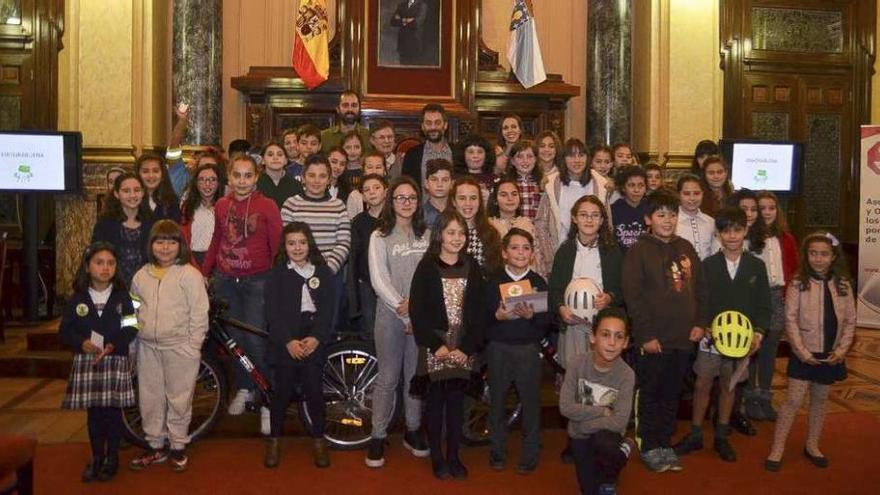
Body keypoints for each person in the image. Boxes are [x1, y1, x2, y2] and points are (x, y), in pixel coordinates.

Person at [672, 207, 770, 463]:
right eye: (726, 231)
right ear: (718, 235)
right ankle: (695, 434)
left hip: (742, 341)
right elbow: (700, 300)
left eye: (737, 230)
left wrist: (758, 332)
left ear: (745, 230)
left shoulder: (756, 266)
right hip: (711, 338)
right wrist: (704, 325)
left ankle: (721, 435)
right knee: (703, 384)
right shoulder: (708, 265)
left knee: (729, 386)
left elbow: (763, 305)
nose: (732, 236)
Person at [621, 191, 709, 473]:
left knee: (672, 394)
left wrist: (700, 322)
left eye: (672, 214)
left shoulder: (686, 248)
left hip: (684, 338)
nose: (668, 220)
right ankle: (649, 445)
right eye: (660, 215)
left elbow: (701, 289)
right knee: (651, 393)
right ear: (648, 219)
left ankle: (665, 443)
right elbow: (632, 297)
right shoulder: (639, 251)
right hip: (654, 340)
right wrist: (645, 336)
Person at [202, 154, 282, 435]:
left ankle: (267, 399)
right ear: (229, 176)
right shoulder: (222, 205)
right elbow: (216, 240)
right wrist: (205, 271)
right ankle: (245, 388)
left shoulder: (267, 205)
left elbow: (277, 244)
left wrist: (273, 279)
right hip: (226, 281)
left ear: (256, 177)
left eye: (248, 175)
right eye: (237, 175)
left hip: (257, 281)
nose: (242, 181)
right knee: (233, 341)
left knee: (255, 340)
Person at [765, 232, 855, 472]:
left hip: (831, 353)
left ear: (833, 256)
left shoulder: (843, 283)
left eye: (824, 254)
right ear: (807, 256)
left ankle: (812, 444)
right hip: (804, 352)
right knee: (793, 400)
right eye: (813, 253)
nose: (818, 259)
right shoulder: (798, 282)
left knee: (820, 399)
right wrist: (802, 352)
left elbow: (850, 321)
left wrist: (842, 350)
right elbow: (790, 319)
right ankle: (777, 447)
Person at [410, 209, 487, 480]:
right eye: (451, 232)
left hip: (463, 347)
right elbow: (417, 312)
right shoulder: (426, 266)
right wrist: (436, 345)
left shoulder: (472, 266)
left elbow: (480, 311)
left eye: (461, 233)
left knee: (456, 406)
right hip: (436, 347)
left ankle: (454, 455)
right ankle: (437, 457)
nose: (457, 238)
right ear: (440, 234)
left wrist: (466, 348)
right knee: (435, 405)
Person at [129, 220, 209, 473]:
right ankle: (155, 445)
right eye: (159, 242)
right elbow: (131, 311)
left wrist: (193, 345)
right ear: (151, 245)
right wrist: (132, 340)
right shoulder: (140, 276)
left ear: (180, 245)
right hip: (147, 347)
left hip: (180, 348)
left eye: (171, 242)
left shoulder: (189, 275)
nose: (165, 248)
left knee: (179, 398)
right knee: (150, 397)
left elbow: (199, 313)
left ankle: (177, 445)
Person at [366, 176, 431, 468]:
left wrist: (417, 311)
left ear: (418, 202)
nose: (406, 203)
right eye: (400, 198)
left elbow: (432, 277)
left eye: (411, 198)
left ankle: (413, 430)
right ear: (391, 202)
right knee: (388, 378)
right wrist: (404, 312)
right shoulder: (379, 235)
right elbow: (379, 279)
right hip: (390, 317)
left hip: (420, 318)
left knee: (414, 377)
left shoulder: (427, 234)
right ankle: (378, 435)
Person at [60, 242, 138, 482]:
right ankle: (96, 457)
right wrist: (81, 343)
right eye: (99, 262)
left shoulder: (125, 297)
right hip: (88, 362)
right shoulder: (77, 298)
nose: (105, 268)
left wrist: (116, 343)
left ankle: (112, 458)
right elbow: (65, 331)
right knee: (94, 414)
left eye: (111, 263)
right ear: (87, 266)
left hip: (115, 361)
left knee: (113, 413)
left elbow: (132, 326)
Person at [264, 222, 335, 469]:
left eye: (302, 242)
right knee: (281, 392)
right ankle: (274, 440)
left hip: (313, 336)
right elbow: (273, 314)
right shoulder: (276, 274)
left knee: (314, 390)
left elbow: (329, 310)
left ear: (310, 244)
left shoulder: (323, 272)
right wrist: (288, 341)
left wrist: (317, 337)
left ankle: (318, 440)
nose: (297, 247)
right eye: (291, 243)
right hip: (287, 339)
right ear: (284, 246)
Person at [486, 228, 550, 474]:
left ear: (532, 254)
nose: (520, 252)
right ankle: (497, 451)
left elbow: (547, 322)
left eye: (526, 248)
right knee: (497, 402)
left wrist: (533, 316)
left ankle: (531, 452)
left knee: (531, 403)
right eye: (514, 247)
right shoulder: (493, 281)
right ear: (504, 253)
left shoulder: (538, 282)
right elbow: (481, 319)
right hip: (498, 349)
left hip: (527, 350)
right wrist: (497, 316)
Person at [559, 307, 636, 495]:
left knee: (606, 446)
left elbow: (618, 421)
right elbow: (565, 407)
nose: (611, 343)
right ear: (592, 337)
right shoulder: (577, 364)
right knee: (589, 490)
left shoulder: (626, 374)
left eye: (619, 337)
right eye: (605, 335)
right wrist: (602, 411)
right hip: (580, 436)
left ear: (625, 342)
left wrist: (582, 425)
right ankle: (620, 453)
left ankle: (612, 472)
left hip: (602, 433)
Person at [281, 154, 352, 333]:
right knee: (297, 330)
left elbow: (344, 242)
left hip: (329, 277)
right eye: (311, 175)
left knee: (326, 330)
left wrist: (324, 272)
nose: (316, 181)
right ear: (303, 178)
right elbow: (285, 241)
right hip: (296, 277)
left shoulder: (338, 206)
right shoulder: (291, 204)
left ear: (329, 179)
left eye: (322, 176)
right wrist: (303, 272)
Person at [549, 195, 623, 365]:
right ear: (574, 218)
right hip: (572, 322)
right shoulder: (565, 251)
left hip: (603, 322)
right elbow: (554, 289)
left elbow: (622, 287)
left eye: (595, 215)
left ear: (602, 219)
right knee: (572, 370)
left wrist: (609, 298)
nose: (589, 220)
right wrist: (561, 308)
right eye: (583, 215)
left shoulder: (612, 251)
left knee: (600, 372)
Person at [748, 191, 800, 419]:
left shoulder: (786, 238)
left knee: (769, 351)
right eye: (762, 208)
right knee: (750, 349)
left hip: (777, 297)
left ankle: (765, 398)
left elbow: (794, 269)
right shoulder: (748, 236)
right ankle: (748, 398)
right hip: (753, 298)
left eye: (771, 208)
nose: (767, 212)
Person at [535, 138, 610, 278]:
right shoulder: (552, 184)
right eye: (571, 155)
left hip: (594, 255)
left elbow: (607, 223)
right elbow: (541, 224)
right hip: (560, 254)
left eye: (581, 155)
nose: (577, 160)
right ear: (564, 159)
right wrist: (551, 258)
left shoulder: (600, 184)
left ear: (588, 158)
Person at [91, 172, 155, 285]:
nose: (132, 195)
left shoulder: (152, 223)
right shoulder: (104, 225)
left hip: (147, 286)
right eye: (126, 191)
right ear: (116, 194)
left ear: (143, 193)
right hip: (113, 286)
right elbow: (96, 258)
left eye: (137, 190)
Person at [351, 174, 388, 337]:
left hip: (392, 282)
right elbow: (354, 258)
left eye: (377, 188)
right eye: (367, 190)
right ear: (362, 196)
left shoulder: (395, 218)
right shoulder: (359, 222)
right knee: (370, 329)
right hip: (367, 283)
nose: (372, 192)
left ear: (386, 191)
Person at [451, 176, 503, 276]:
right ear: (453, 202)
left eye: (473, 198)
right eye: (462, 198)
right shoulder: (444, 234)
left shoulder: (491, 234)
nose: (468, 203)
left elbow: (497, 272)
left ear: (480, 201)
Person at [180, 162, 225, 271]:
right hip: (192, 260)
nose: (207, 184)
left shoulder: (225, 207)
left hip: (219, 261)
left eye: (212, 180)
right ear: (196, 183)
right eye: (202, 180)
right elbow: (184, 238)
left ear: (219, 183)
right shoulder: (188, 207)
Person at [403, 103, 452, 187]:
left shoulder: (458, 152)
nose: (433, 127)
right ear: (422, 126)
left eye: (437, 123)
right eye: (428, 123)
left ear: (445, 125)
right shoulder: (412, 155)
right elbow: (407, 187)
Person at [675, 174, 719, 261]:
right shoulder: (672, 222)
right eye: (686, 194)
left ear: (703, 193)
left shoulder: (710, 222)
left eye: (696, 193)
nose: (692, 198)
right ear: (678, 194)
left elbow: (715, 252)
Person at [256, 140, 304, 209]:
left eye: (280, 154)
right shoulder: (255, 184)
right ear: (263, 160)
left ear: (285, 160)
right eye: (270, 154)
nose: (275, 158)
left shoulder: (296, 186)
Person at [610, 166, 649, 252]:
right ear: (623, 188)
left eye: (641, 185)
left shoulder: (651, 208)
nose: (636, 190)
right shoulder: (614, 209)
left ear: (646, 188)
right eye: (631, 185)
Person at [135, 153, 181, 222]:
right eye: (145, 171)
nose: (151, 175)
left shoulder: (173, 202)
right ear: (138, 175)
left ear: (162, 175)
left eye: (155, 171)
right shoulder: (132, 200)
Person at [488, 177, 536, 242]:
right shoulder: (489, 225)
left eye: (514, 194)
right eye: (504, 195)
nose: (510, 198)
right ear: (495, 200)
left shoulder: (527, 224)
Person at [454, 133, 497, 204]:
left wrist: (490, 200)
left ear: (487, 155)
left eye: (480, 152)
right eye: (471, 152)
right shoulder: (454, 180)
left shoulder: (496, 180)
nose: (475, 156)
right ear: (462, 155)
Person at [507, 140, 543, 220]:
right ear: (512, 161)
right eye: (520, 157)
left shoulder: (542, 183)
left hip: (537, 229)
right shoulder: (507, 184)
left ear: (536, 159)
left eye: (530, 156)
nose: (525, 161)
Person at [346, 150, 388, 218]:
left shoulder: (393, 193)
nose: (374, 171)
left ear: (385, 170)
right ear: (363, 170)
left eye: (378, 167)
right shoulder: (355, 196)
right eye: (370, 167)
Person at [391, 0, 427, 66]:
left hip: (415, 43)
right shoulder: (401, 5)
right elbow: (393, 22)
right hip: (402, 43)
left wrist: (401, 19)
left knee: (414, 70)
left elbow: (416, 23)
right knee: (402, 69)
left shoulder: (422, 6)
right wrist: (407, 20)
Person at [422, 158, 454, 228]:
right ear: (426, 183)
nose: (439, 184)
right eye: (434, 179)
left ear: (452, 184)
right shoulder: (419, 214)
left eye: (445, 180)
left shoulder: (459, 211)